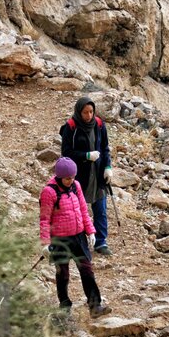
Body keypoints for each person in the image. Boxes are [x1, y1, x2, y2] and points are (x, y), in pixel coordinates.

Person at [39, 157, 112, 318]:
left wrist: (91, 231)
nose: (70, 181)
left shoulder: (76, 186)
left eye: (72, 177)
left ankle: (95, 306)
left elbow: (83, 210)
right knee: (63, 274)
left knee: (87, 270)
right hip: (60, 240)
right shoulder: (49, 192)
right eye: (67, 178)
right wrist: (46, 243)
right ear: (59, 176)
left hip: (79, 237)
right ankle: (64, 306)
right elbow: (44, 219)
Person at [60, 96, 114, 256]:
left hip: (97, 174)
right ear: (79, 111)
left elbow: (105, 148)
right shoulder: (70, 127)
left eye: (91, 112)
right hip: (78, 176)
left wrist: (108, 167)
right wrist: (86, 155)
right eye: (85, 112)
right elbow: (66, 152)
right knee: (76, 210)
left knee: (101, 209)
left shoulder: (99, 124)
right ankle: (79, 241)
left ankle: (101, 242)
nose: (89, 115)